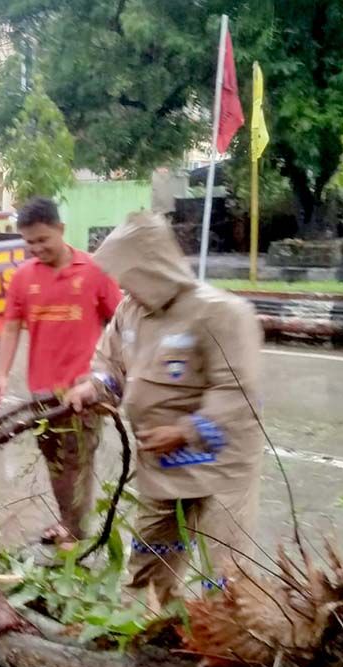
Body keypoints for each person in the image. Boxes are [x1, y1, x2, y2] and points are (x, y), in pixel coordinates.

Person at [65, 212, 264, 606]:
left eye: (129, 276)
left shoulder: (221, 314)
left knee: (223, 577)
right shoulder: (129, 313)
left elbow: (238, 392)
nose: (123, 287)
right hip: (162, 468)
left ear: (152, 267)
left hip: (218, 470)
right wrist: (94, 388)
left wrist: (186, 430)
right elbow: (110, 366)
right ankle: (153, 635)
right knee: (150, 563)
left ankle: (224, 653)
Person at [0, 197, 123, 545]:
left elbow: (122, 324)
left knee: (77, 461)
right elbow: (11, 325)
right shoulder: (23, 278)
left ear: (61, 230)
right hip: (41, 391)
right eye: (29, 242)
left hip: (84, 389)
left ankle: (75, 535)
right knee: (53, 461)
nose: (37, 248)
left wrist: (116, 376)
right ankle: (69, 522)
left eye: (43, 240)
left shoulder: (95, 270)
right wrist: (3, 373)